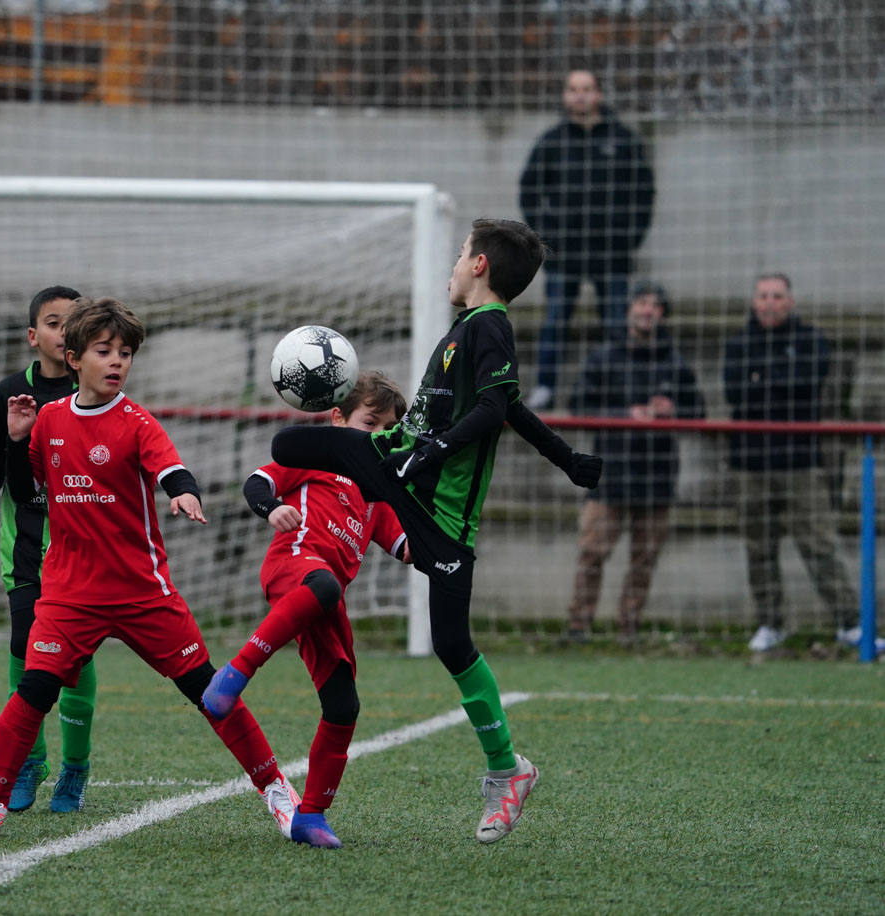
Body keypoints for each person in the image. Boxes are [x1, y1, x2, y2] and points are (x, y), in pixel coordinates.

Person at [261, 218, 602, 844]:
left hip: (440, 515)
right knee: (295, 443)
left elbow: (496, 411)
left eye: (461, 253)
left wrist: (429, 453)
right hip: (408, 485)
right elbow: (514, 408)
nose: (453, 263)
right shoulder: (468, 331)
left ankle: (508, 771)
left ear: (480, 266)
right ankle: (507, 771)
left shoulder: (490, 326)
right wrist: (569, 460)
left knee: (451, 642)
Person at [0, 297, 300, 839]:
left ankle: (278, 792)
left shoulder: (136, 422)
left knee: (210, 692)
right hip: (69, 591)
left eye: (125, 353)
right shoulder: (48, 420)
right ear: (73, 357)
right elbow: (29, 493)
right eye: (105, 351)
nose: (117, 361)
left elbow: (172, 467)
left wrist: (183, 494)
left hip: (143, 591)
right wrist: (17, 438)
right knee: (35, 690)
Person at [203, 370, 411, 849]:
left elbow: (407, 548)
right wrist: (271, 508)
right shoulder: (315, 457)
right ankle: (233, 675)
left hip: (322, 598)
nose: (376, 436)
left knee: (344, 706)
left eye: (386, 430)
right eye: (369, 423)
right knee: (324, 584)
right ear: (337, 418)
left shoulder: (377, 492)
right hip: (293, 569)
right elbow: (258, 483)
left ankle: (311, 816)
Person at [0, 285, 98, 813]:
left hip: (85, 549)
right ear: (34, 335)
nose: (65, 332)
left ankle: (76, 769)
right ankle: (29, 762)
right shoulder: (11, 391)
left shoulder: (97, 395)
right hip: (27, 545)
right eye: (55, 322)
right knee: (26, 650)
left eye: (74, 322)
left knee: (76, 657)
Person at [723, 273, 878, 654]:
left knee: (820, 546)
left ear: (790, 301)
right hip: (750, 463)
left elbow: (805, 382)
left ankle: (850, 624)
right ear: (754, 301)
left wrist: (762, 378)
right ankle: (771, 623)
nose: (770, 302)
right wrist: (775, 380)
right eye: (763, 296)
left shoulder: (812, 340)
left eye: (777, 295)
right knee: (759, 548)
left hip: (801, 463)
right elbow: (734, 390)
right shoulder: (738, 344)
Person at [563, 282, 704, 642]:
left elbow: (699, 412)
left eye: (656, 306)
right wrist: (626, 414)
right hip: (609, 474)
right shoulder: (602, 357)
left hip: (658, 476)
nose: (648, 310)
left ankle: (629, 626)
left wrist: (674, 412)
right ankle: (579, 624)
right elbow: (579, 405)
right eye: (642, 303)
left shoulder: (676, 362)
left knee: (644, 559)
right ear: (628, 310)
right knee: (592, 553)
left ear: (663, 315)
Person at [519, 68, 656, 410]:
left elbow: (644, 193)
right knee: (555, 322)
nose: (580, 95)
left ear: (598, 94)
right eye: (573, 89)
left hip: (612, 254)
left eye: (587, 89)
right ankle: (546, 388)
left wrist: (629, 238)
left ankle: (616, 391)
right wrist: (545, 238)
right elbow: (530, 191)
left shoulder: (623, 140)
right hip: (564, 254)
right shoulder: (552, 142)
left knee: (614, 325)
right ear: (566, 96)